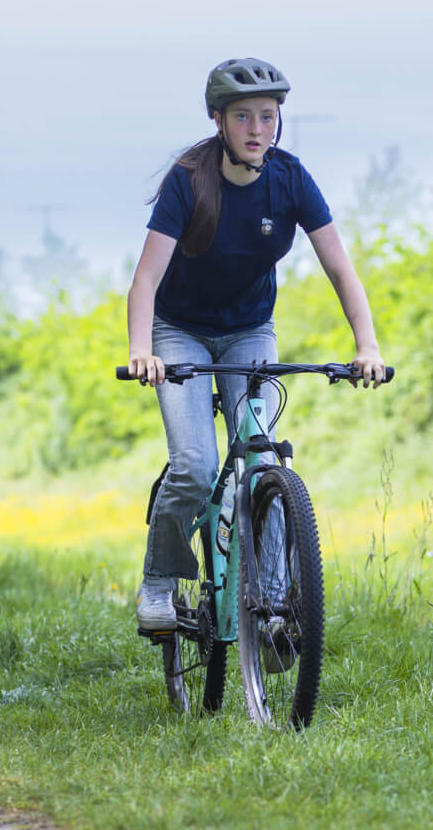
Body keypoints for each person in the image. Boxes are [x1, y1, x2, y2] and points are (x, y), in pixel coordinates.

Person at [125, 57, 386, 639]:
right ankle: (160, 582)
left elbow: (341, 271)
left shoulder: (290, 180)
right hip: (179, 332)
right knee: (194, 467)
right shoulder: (189, 181)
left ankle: (268, 611)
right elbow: (145, 279)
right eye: (243, 116)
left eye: (267, 117)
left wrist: (366, 345)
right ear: (218, 119)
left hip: (249, 333)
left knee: (264, 461)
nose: (256, 129)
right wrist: (143, 349)